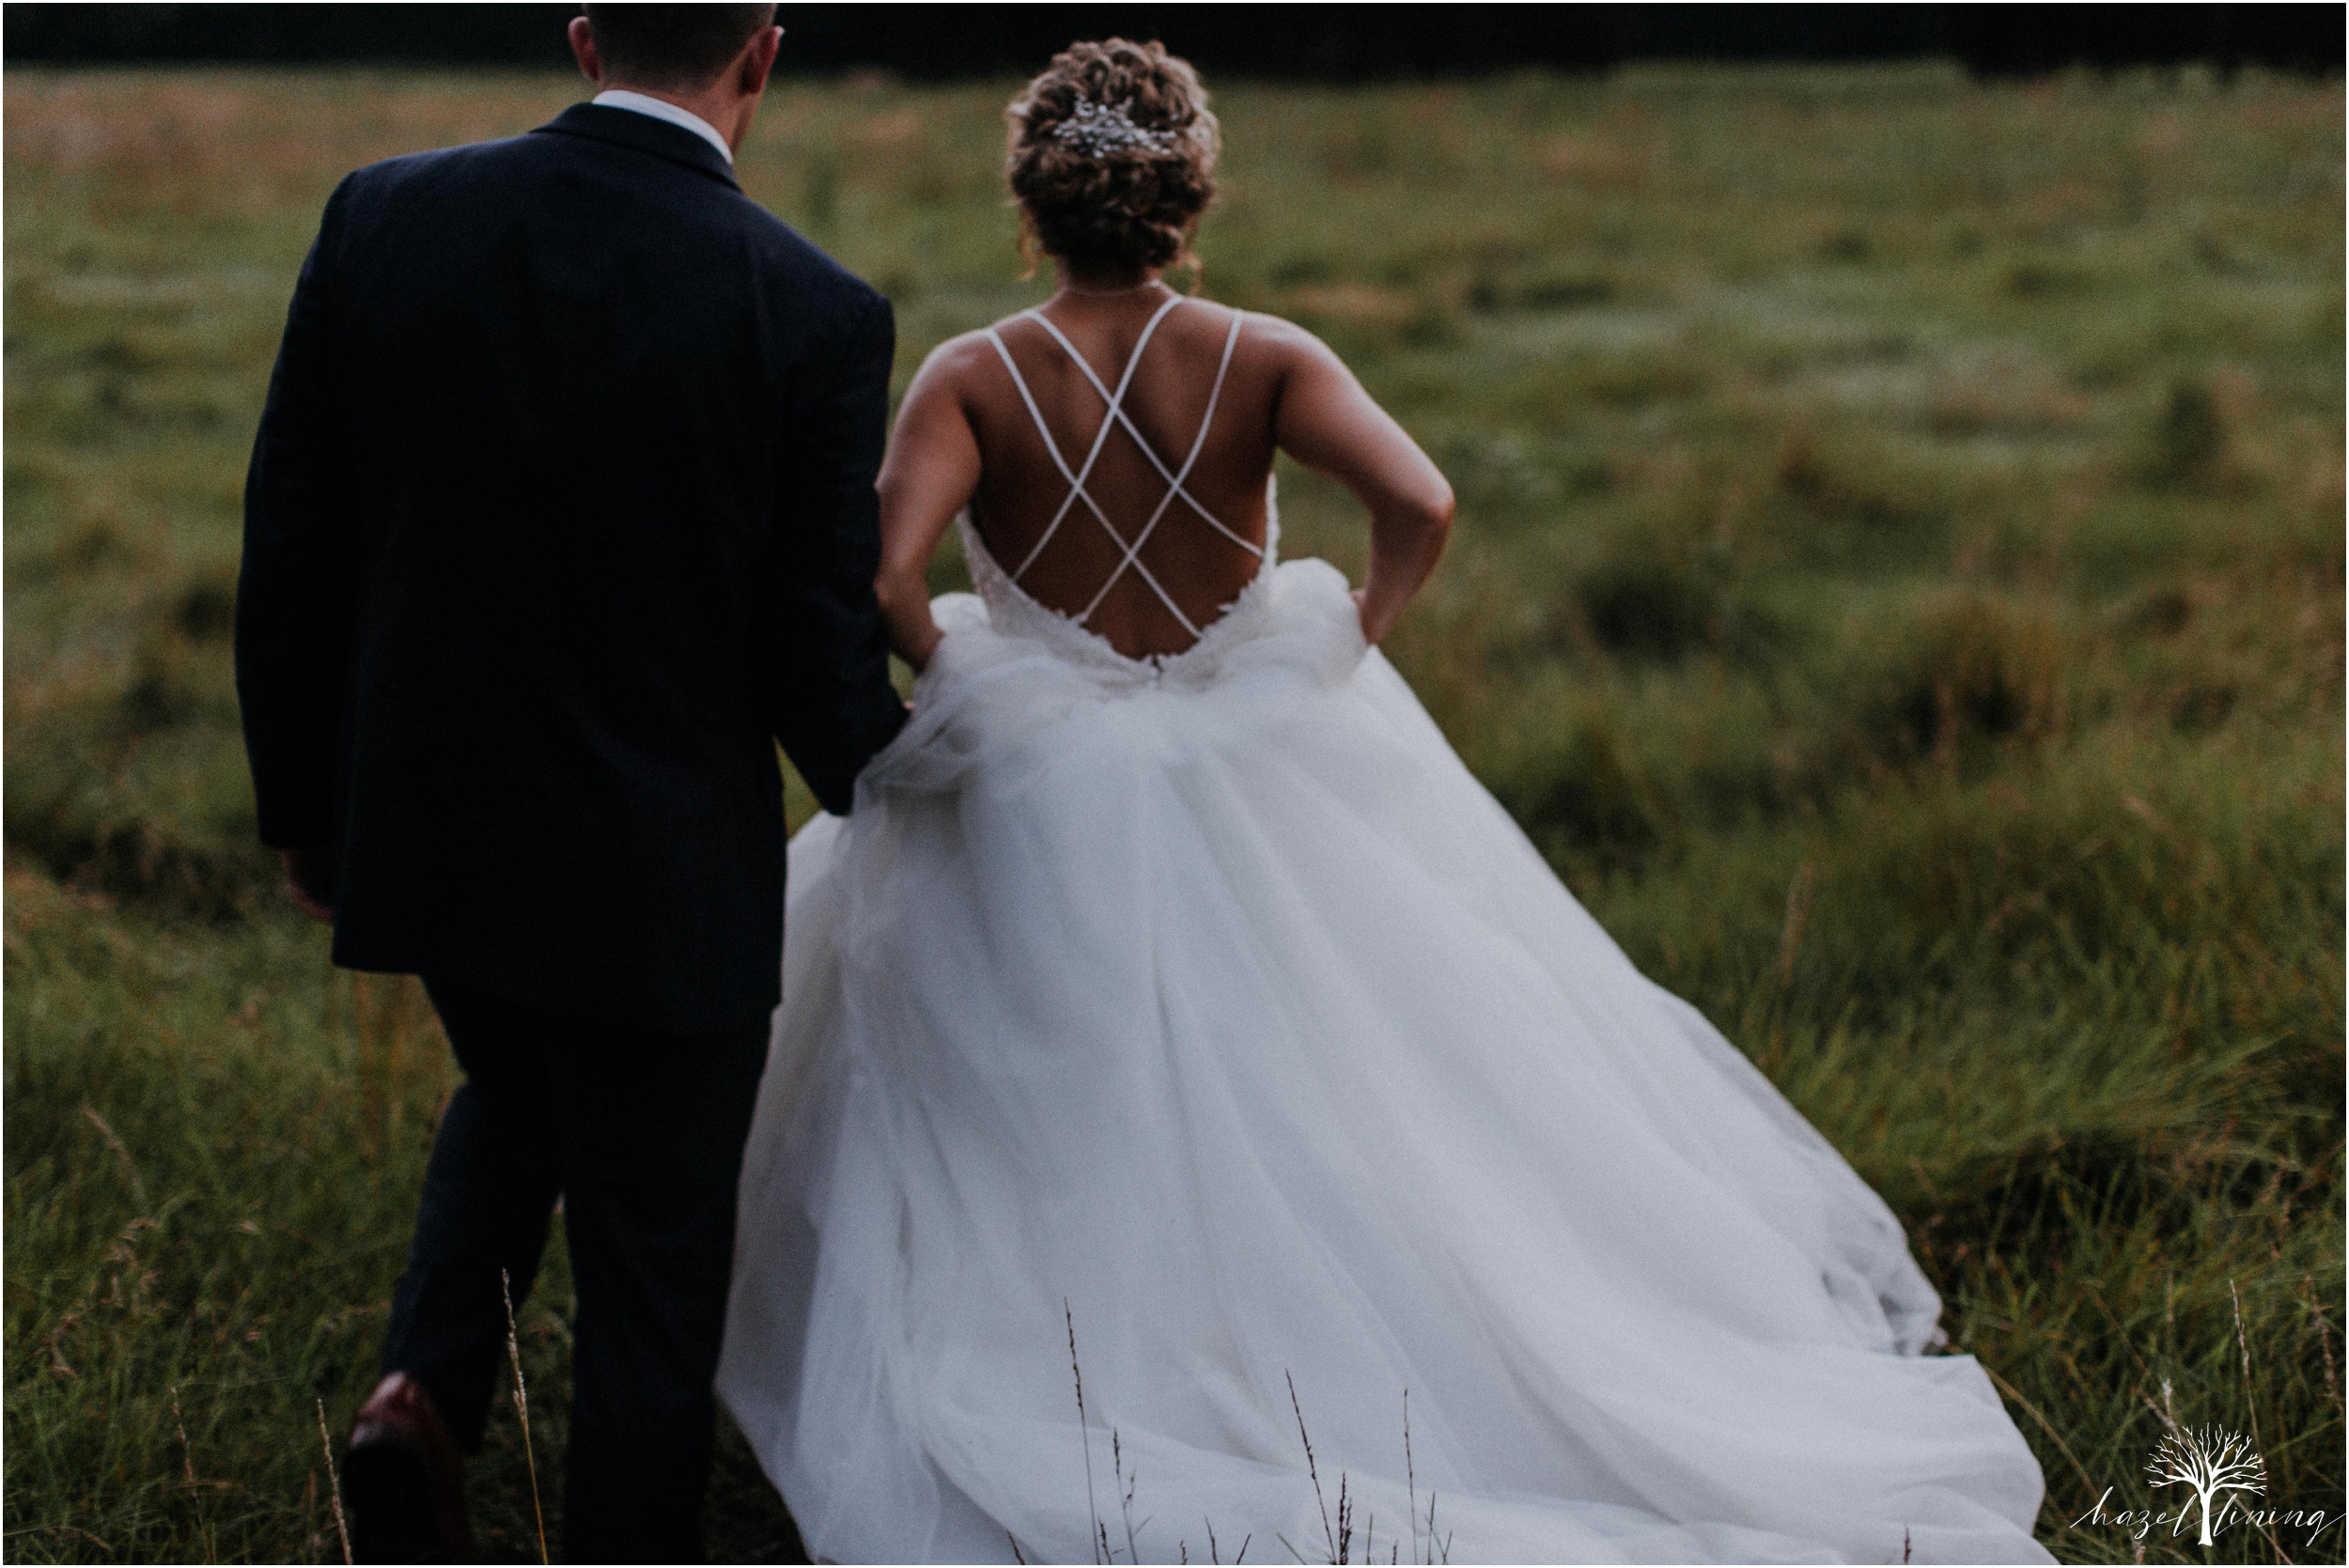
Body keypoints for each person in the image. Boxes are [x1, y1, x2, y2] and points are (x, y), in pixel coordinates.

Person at [714, 39, 2056, 1565]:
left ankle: (1104, 1351)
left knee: (1047, 1088)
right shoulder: (1262, 354)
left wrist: (963, 666)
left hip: (1040, 779)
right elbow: (1422, 499)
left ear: (1034, 201)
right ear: (1187, 191)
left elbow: (884, 569)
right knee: (1337, 1072)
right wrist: (1352, 625)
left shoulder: (974, 375)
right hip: (1253, 759)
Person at [234, 5, 906, 1558]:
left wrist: (305, 814)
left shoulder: (383, 213)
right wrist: (923, 787)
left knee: (523, 1078)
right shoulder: (812, 307)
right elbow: (815, 651)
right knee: (652, 1285)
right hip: (662, 884)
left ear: (587, 38)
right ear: (766, 56)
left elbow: (294, 544)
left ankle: (419, 1394)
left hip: (434, 835)